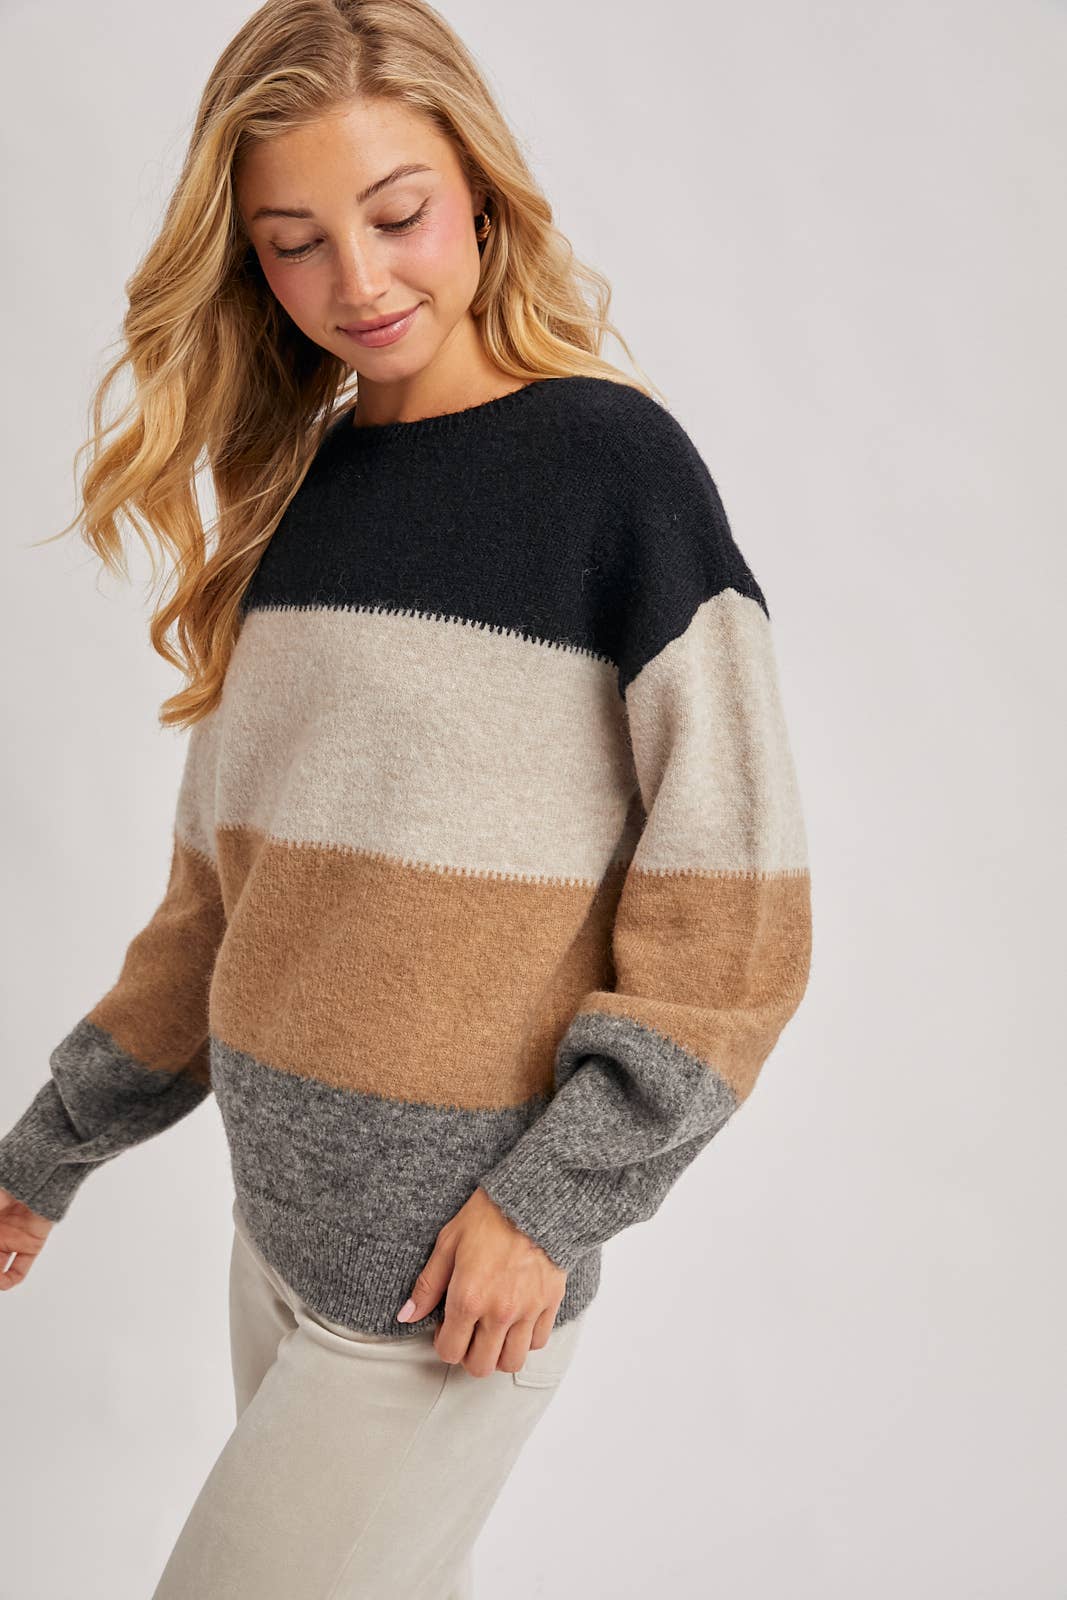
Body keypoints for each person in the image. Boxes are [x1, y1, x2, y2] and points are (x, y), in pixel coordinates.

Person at [0, 0, 813, 1595]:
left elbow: (737, 912)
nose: (357, 282)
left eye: (396, 215)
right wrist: (48, 1150)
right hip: (276, 1243)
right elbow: (221, 905)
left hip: (451, 1286)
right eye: (295, 244)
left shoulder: (613, 472)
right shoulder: (303, 498)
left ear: (483, 193)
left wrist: (549, 1204)